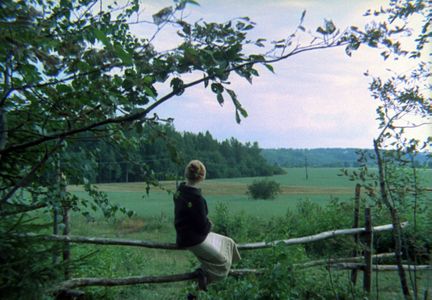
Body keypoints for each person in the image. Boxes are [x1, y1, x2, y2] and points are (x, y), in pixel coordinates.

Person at [173, 160, 241, 291]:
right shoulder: (197, 199)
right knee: (223, 264)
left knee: (229, 242)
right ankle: (200, 281)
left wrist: (204, 223)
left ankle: (212, 271)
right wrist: (209, 224)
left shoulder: (179, 191)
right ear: (202, 177)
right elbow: (202, 226)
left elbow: (190, 218)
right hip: (194, 239)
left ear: (186, 173)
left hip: (186, 234)